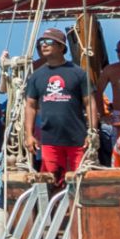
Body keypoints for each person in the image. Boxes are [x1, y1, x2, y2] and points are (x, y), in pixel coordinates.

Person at [25, 30, 92, 177]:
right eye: (41, 42)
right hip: (49, 139)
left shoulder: (78, 73)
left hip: (77, 139)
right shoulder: (36, 76)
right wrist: (29, 135)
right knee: (52, 181)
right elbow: (30, 106)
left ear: (61, 47)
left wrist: (92, 132)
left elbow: (90, 103)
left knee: (80, 179)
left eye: (49, 42)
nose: (44, 45)